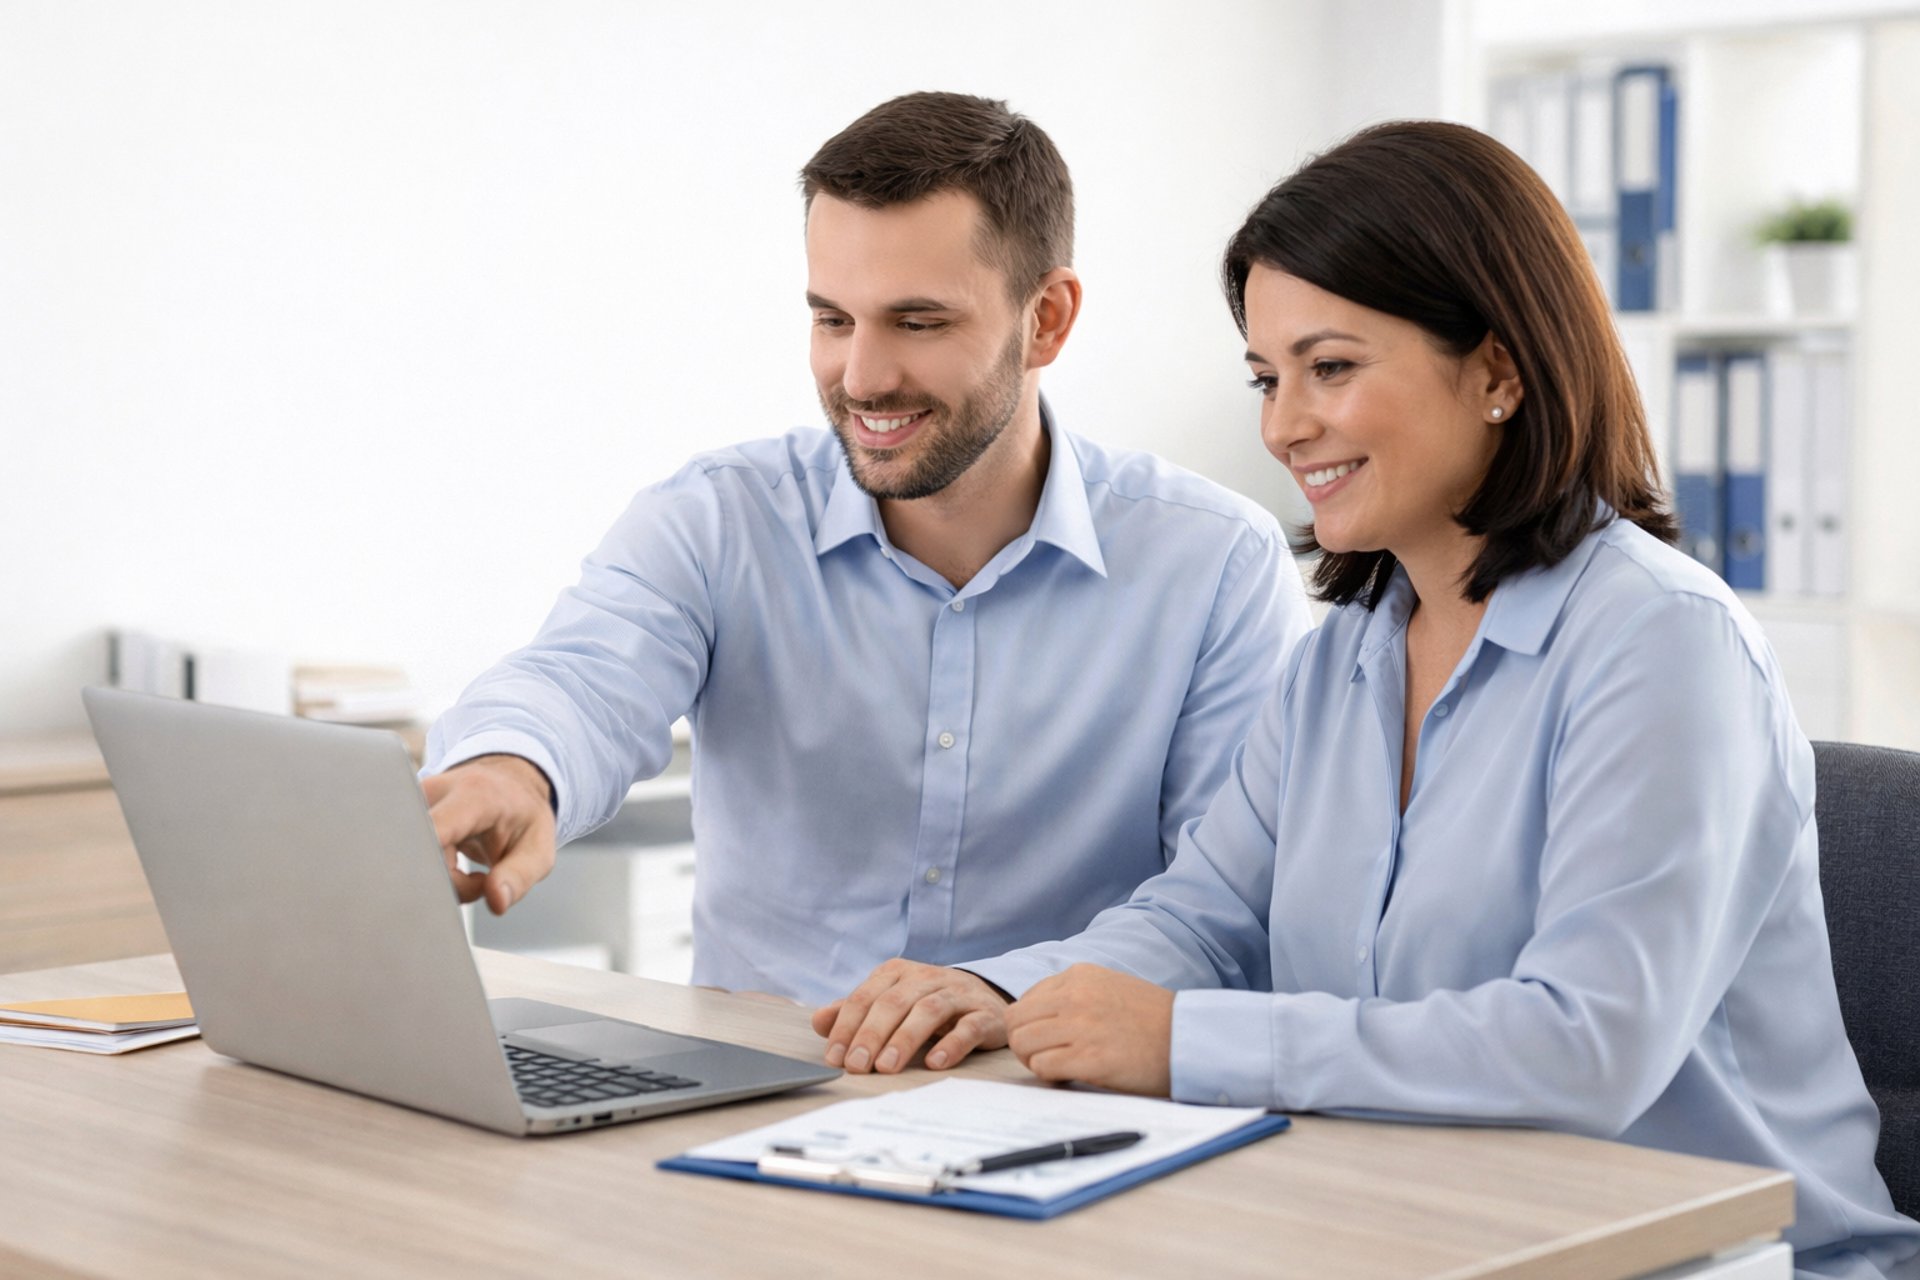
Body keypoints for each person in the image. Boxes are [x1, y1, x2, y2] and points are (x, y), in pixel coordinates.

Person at [813, 121, 1920, 1276]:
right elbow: (1201, 917)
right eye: (1267, 375)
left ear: (1497, 370)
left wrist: (1185, 1042)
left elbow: (1584, 1046)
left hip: (1726, 1259)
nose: (1283, 424)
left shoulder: (1662, 645)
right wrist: (1000, 990)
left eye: (1331, 367)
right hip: (1427, 1236)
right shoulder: (1344, 657)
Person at [422, 91, 1311, 1007]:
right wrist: (514, 767)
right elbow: (581, 679)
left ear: (1046, 318)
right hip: (755, 1093)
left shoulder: (1214, 566)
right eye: (833, 320)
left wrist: (998, 991)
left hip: (1055, 1094)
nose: (862, 378)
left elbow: (1224, 909)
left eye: (917, 323)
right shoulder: (719, 519)